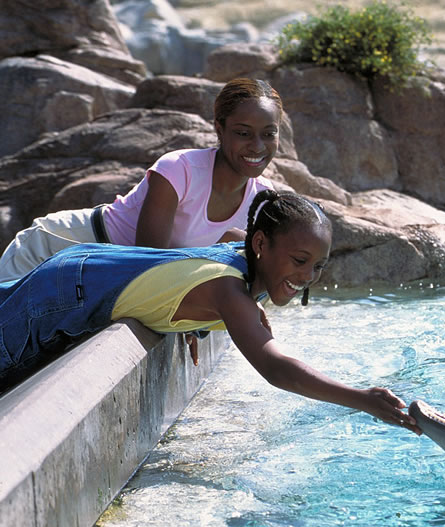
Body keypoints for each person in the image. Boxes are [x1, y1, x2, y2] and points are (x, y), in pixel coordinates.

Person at [0, 189, 421, 434]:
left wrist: (190, 313)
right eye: (298, 260)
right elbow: (278, 369)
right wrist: (361, 398)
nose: (308, 275)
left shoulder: (241, 265)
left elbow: (227, 235)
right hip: (66, 290)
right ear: (261, 245)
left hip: (85, 268)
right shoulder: (229, 291)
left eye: (318, 265)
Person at [0, 77, 283, 283]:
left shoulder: (262, 199)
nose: (257, 146)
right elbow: (149, 267)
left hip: (101, 272)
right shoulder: (179, 169)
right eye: (243, 133)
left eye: (269, 133)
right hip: (55, 247)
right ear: (219, 129)